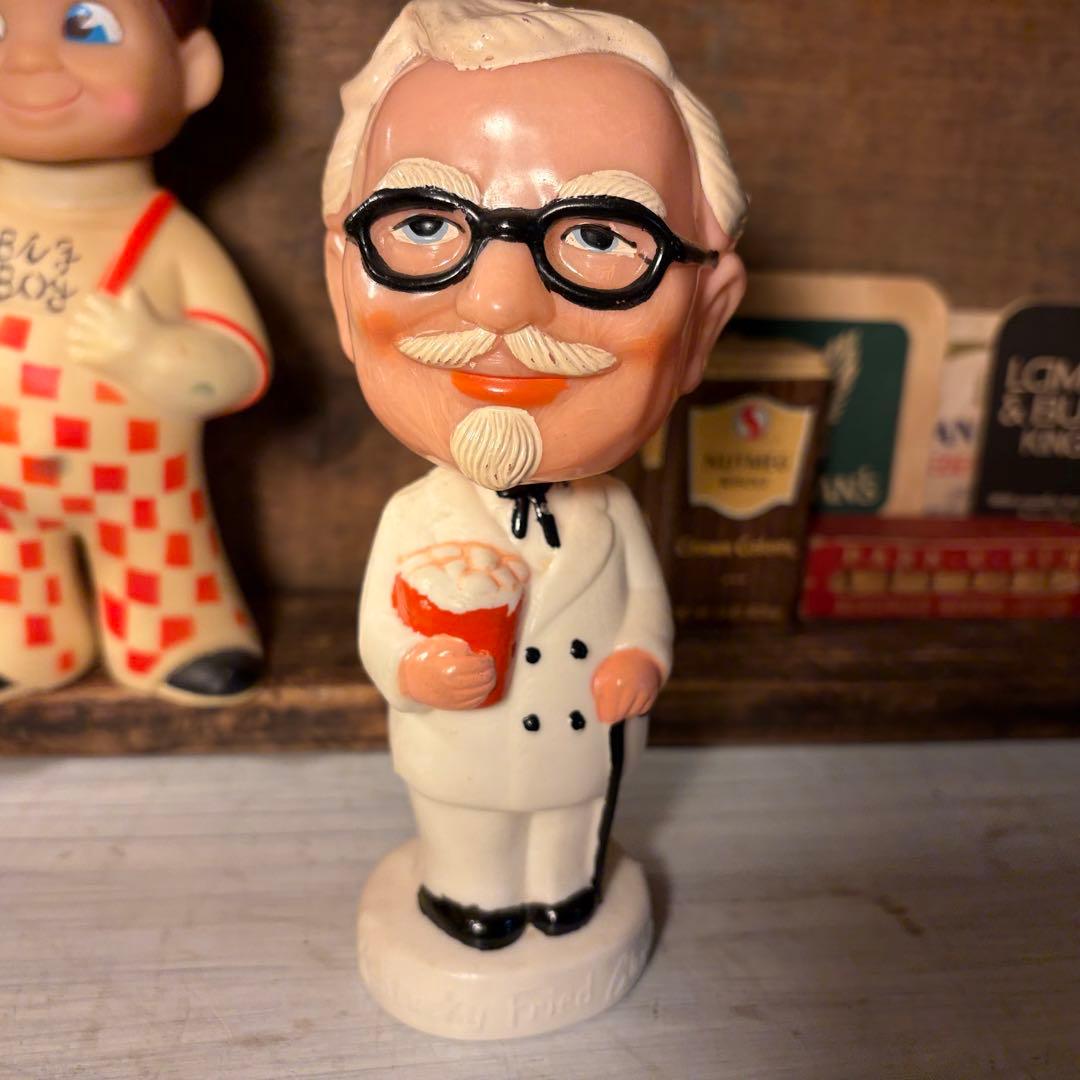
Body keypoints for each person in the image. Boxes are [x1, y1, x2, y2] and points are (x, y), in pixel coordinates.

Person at [322, 0, 746, 1025]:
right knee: (470, 832)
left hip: (580, 744)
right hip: (462, 746)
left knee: (568, 832)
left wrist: (641, 658)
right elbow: (380, 631)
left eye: (598, 235)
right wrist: (416, 671)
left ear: (704, 321)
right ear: (342, 288)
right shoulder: (415, 518)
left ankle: (561, 893)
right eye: (426, 224)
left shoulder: (613, 515)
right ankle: (469, 898)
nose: (501, 305)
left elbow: (643, 609)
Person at [0, 0, 270, 705]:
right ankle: (20, 640)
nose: (25, 59)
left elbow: (240, 367)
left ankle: (178, 637)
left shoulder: (166, 239)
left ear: (192, 69)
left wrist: (150, 356)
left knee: (159, 555)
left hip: (138, 484)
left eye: (88, 26)